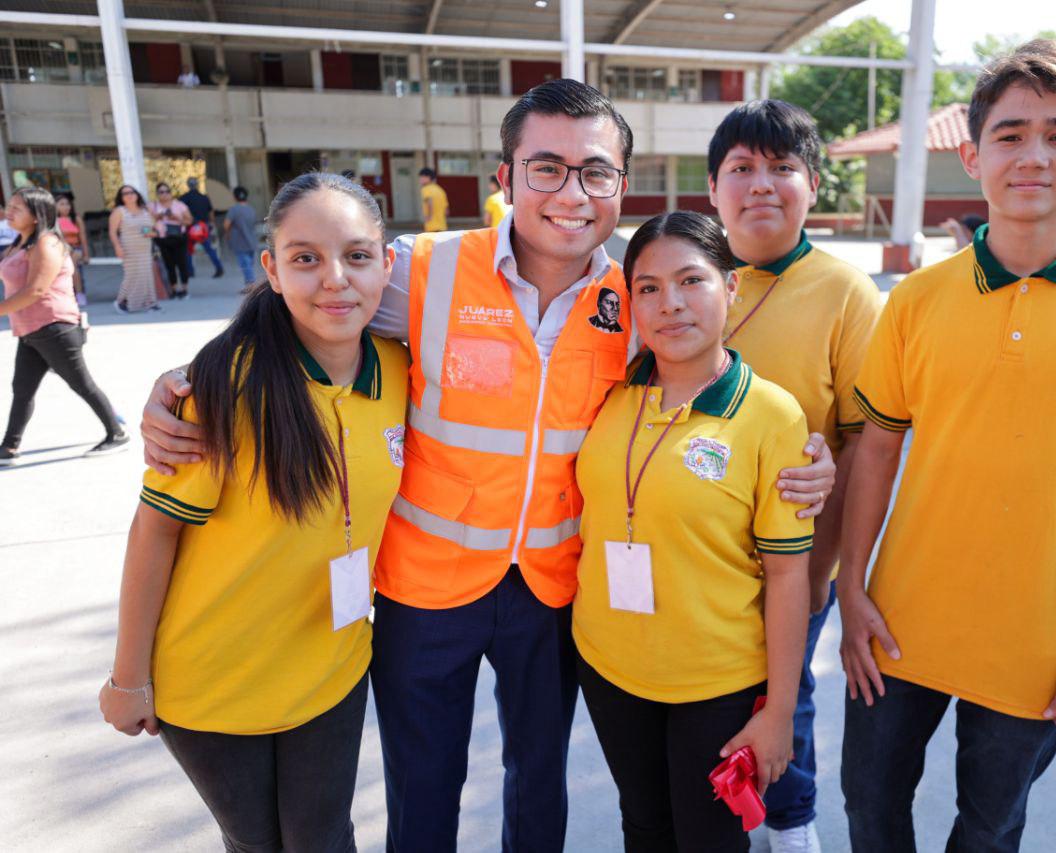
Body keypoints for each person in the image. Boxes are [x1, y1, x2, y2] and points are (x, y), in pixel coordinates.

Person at [137, 79, 835, 853]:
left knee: (539, 784)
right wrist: (185, 381)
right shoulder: (424, 270)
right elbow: (313, 295)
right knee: (424, 785)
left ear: (619, 186)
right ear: (505, 178)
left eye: (595, 172)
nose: (571, 193)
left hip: (552, 587)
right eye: (546, 168)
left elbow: (713, 373)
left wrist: (809, 452)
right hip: (425, 584)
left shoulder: (635, 299)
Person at [837, 40, 1056, 852]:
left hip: (1037, 642)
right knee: (868, 811)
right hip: (896, 623)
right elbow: (877, 453)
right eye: (1011, 133)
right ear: (972, 154)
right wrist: (850, 587)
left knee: (990, 829)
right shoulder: (916, 301)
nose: (1035, 155)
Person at [97, 173, 407, 851]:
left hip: (334, 667)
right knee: (256, 843)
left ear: (389, 262)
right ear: (270, 268)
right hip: (213, 682)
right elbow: (155, 532)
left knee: (323, 836)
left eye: (357, 256)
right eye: (305, 258)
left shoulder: (405, 371)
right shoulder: (222, 385)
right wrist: (128, 677)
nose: (335, 279)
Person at [574, 211, 812, 852]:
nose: (669, 304)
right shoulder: (609, 392)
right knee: (644, 827)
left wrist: (781, 714)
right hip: (609, 665)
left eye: (691, 280)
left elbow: (790, 575)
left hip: (716, 683)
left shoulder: (771, 414)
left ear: (731, 287)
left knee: (708, 839)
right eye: (647, 288)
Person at [706, 98, 881, 853]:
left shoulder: (846, 293)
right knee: (702, 698)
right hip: (688, 551)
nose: (761, 185)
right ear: (713, 188)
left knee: (786, 695)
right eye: (740, 168)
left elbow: (861, 440)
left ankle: (791, 823)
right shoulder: (690, 272)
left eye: (782, 168)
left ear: (813, 183)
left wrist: (826, 570)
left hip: (789, 558)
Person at [0, 187, 128, 466]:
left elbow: (35, 290)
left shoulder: (47, 243)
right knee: (22, 388)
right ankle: (8, 447)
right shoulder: (19, 243)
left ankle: (116, 433)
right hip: (30, 330)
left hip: (54, 327)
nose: (8, 212)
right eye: (8, 206)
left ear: (36, 216)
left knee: (81, 384)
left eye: (16, 208)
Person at [109, 185, 159, 313]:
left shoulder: (145, 210)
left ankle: (151, 303)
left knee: (146, 275)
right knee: (132, 276)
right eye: (125, 193)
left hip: (145, 248)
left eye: (132, 192)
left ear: (137, 194)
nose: (129, 195)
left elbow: (155, 229)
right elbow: (113, 232)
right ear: (121, 198)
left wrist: (151, 233)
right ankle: (121, 301)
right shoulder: (119, 211)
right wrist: (117, 246)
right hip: (128, 248)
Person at [148, 183, 193, 299]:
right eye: (161, 192)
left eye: (167, 191)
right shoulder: (152, 206)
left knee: (182, 263)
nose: (164, 194)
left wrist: (176, 218)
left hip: (179, 238)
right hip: (162, 239)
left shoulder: (179, 205)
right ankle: (174, 289)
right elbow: (146, 222)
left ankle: (184, 289)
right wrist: (158, 216)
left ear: (170, 192)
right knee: (169, 265)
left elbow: (189, 221)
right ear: (157, 194)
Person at [180, 177, 225, 279]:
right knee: (209, 249)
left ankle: (190, 271)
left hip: (190, 227)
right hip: (203, 227)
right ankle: (219, 267)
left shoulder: (183, 198)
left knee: (188, 250)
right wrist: (212, 225)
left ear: (188, 185)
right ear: (197, 185)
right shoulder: (204, 198)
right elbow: (211, 213)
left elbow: (181, 213)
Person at [56, 192, 91, 306]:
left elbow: (83, 238)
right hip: (60, 250)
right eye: (62, 204)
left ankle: (79, 294)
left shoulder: (75, 218)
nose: (66, 207)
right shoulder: (53, 221)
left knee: (73, 264)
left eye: (67, 204)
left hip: (76, 248)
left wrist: (86, 254)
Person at [223, 186, 259, 286]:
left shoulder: (233, 210)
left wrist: (228, 234)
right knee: (249, 265)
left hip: (239, 242)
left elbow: (226, 224)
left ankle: (251, 285)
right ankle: (249, 284)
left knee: (245, 265)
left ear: (234, 197)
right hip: (251, 241)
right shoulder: (251, 209)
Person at [419, 166, 448, 232]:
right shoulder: (440, 189)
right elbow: (446, 211)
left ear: (428, 177)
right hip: (442, 225)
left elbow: (429, 202)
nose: (420, 179)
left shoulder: (426, 189)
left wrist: (429, 216)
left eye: (421, 177)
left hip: (431, 225)